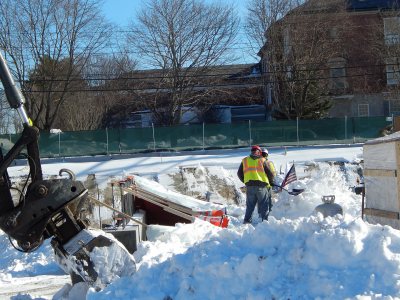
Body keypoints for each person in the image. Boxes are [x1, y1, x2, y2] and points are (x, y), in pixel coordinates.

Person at [237, 145, 275, 223]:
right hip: (262, 186)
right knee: (264, 205)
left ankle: (247, 221)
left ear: (251, 151)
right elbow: (270, 173)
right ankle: (264, 222)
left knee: (250, 206)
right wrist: (271, 182)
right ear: (259, 152)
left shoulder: (245, 160)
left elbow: (239, 173)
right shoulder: (263, 160)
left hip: (250, 186)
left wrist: (246, 181)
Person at [261, 148, 277, 217]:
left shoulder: (256, 163)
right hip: (267, 184)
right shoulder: (269, 163)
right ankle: (268, 215)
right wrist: (272, 181)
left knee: (263, 201)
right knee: (268, 200)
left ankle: (264, 215)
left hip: (261, 185)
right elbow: (273, 174)